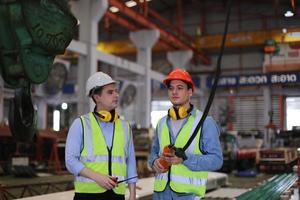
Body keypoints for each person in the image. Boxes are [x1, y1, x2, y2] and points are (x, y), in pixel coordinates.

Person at [148, 68, 223, 200]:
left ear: (190, 91)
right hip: (160, 194)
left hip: (188, 195)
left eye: (180, 88)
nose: (174, 92)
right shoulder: (161, 123)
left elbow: (217, 160)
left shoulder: (204, 122)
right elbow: (154, 152)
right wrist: (154, 162)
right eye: (171, 88)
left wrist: (186, 159)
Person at [65, 71, 137, 200]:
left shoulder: (125, 127)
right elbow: (70, 161)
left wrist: (132, 194)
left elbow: (130, 161)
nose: (116, 95)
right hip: (88, 195)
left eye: (116, 91)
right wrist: (98, 177)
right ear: (97, 97)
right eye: (110, 92)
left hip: (117, 194)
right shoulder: (81, 124)